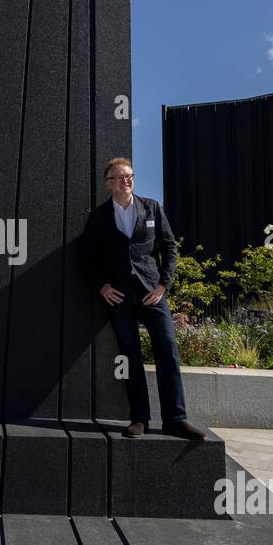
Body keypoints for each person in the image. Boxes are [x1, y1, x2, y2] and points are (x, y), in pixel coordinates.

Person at [78, 157, 207, 440]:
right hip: (120, 297)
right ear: (109, 184)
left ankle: (175, 419)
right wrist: (102, 286)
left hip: (152, 293)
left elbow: (169, 248)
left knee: (168, 350)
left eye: (130, 175)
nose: (127, 180)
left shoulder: (152, 208)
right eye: (120, 177)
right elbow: (84, 258)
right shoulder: (99, 217)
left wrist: (163, 286)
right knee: (130, 356)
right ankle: (140, 418)